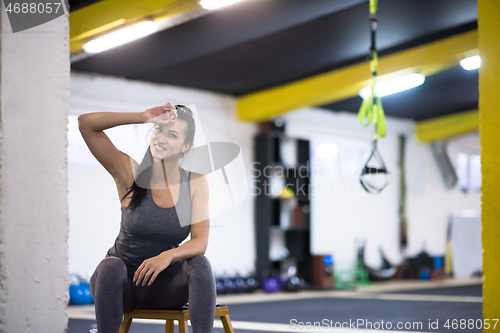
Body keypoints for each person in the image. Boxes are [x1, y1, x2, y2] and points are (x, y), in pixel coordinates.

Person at [78, 103, 216, 333]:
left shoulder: (194, 182)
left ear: (185, 146)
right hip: (120, 287)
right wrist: (143, 117)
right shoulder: (130, 173)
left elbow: (200, 242)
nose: (161, 138)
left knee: (200, 264)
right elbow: (86, 124)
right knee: (110, 266)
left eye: (172, 135)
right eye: (159, 130)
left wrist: (166, 256)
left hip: (163, 288)